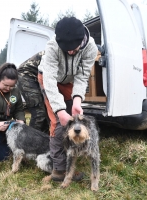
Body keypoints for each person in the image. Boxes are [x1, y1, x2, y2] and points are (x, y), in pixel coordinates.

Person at [37, 17, 98, 181]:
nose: (70, 52)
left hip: (69, 82)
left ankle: (74, 154)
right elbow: (49, 80)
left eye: (74, 49)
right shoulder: (52, 46)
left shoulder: (91, 47)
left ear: (82, 41)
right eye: (66, 49)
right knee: (58, 122)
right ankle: (59, 170)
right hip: (49, 80)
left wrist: (77, 99)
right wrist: (59, 109)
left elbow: (83, 75)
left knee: (74, 119)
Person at [17, 51, 49, 133]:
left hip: (39, 78)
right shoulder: (54, 51)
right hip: (26, 76)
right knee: (39, 113)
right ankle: (30, 141)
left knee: (46, 112)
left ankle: (44, 140)